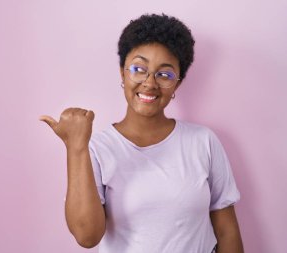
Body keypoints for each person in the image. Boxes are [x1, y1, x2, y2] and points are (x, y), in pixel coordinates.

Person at [40, 13, 244, 253]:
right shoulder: (95, 148)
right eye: (139, 69)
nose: (150, 83)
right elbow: (87, 236)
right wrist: (76, 147)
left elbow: (226, 230)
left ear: (177, 84)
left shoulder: (203, 142)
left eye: (164, 74)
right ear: (122, 73)